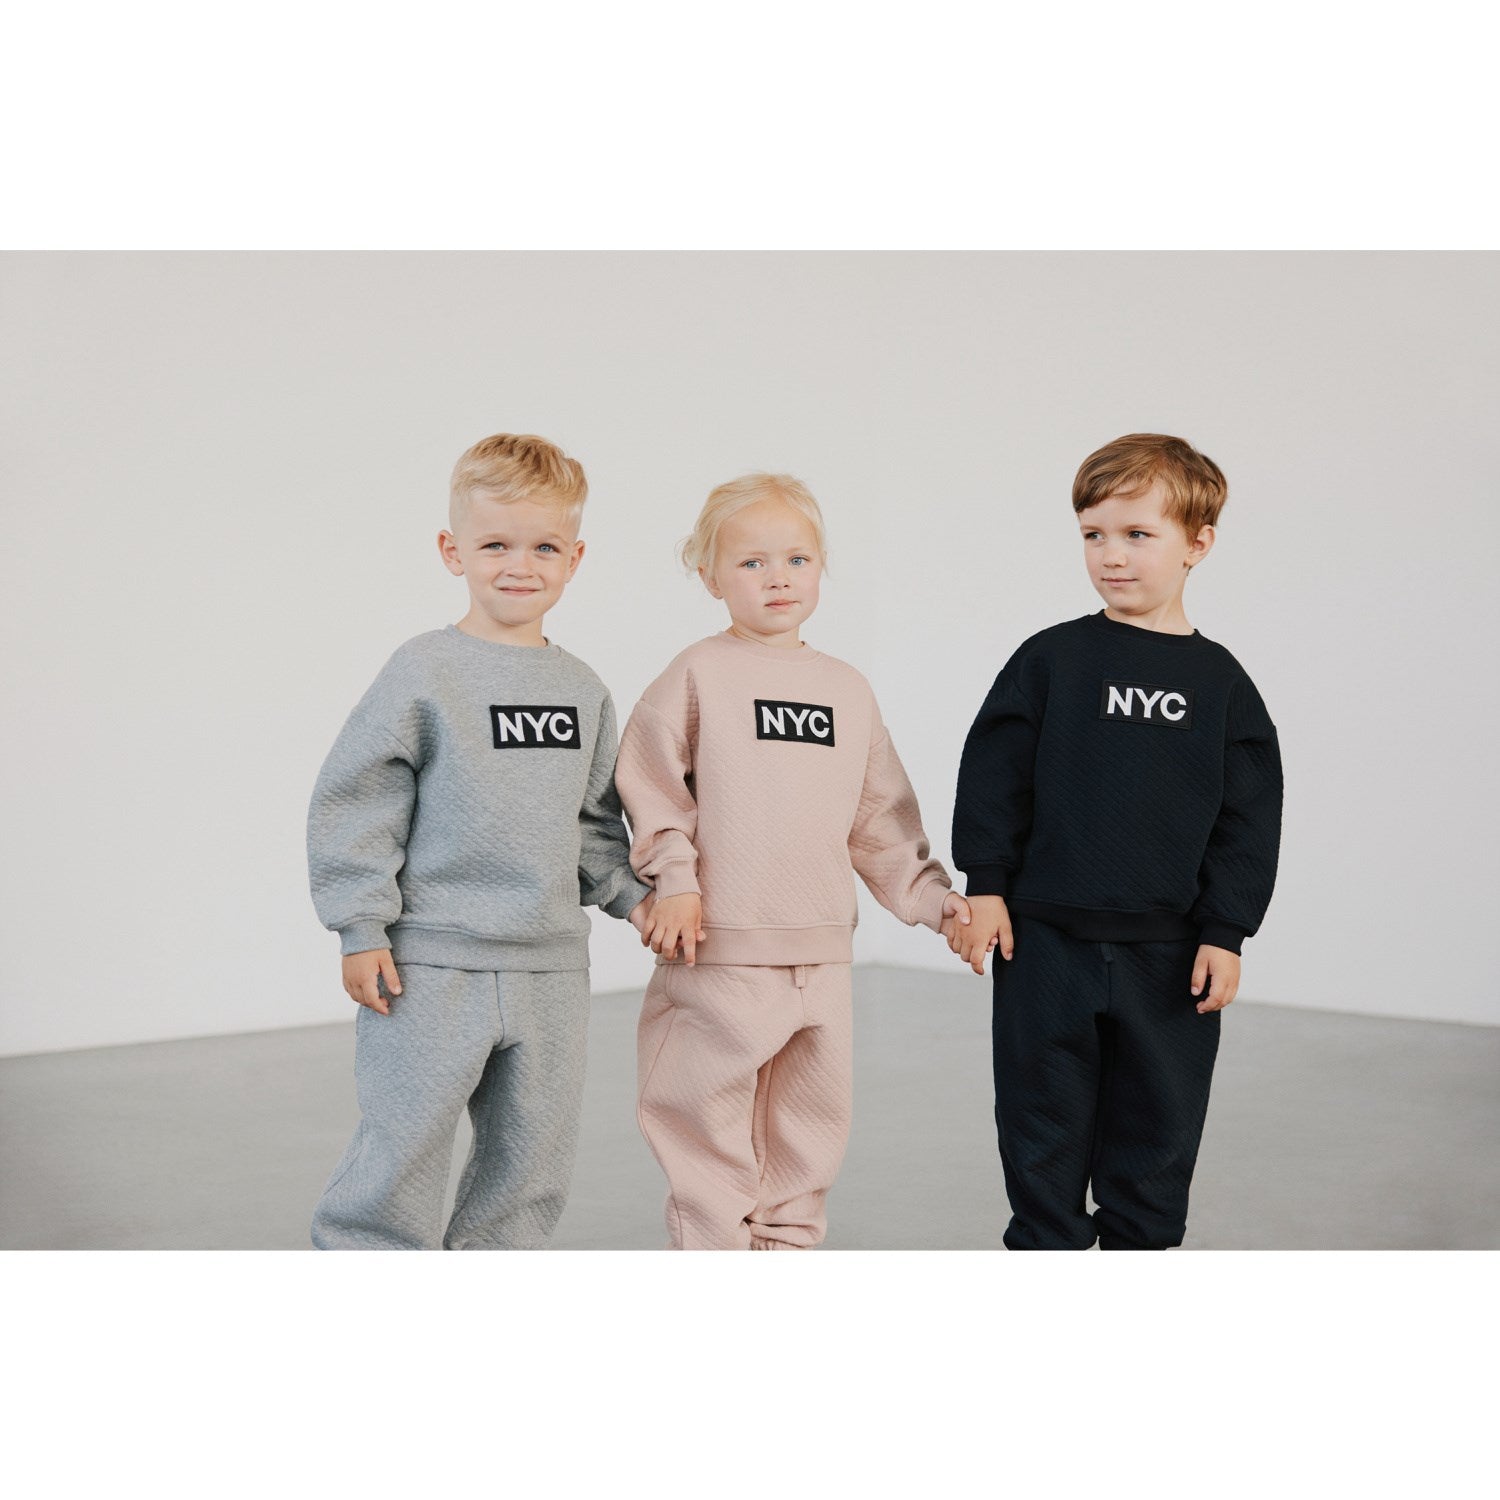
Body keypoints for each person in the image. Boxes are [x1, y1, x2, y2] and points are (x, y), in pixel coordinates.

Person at [306, 432, 651, 1250]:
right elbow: (359, 801)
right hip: (429, 962)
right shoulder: (423, 671)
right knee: (403, 1146)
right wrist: (360, 926)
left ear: (574, 558)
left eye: (543, 547)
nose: (519, 566)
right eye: (495, 544)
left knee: (530, 1163)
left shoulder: (582, 689)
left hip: (550, 970)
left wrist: (636, 900)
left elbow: (593, 825)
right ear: (451, 550)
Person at [614, 472, 971, 1250]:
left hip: (822, 957)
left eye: (797, 559)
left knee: (808, 1136)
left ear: (820, 567)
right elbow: (651, 788)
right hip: (720, 950)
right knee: (706, 1129)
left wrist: (933, 901)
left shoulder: (847, 689)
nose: (778, 577)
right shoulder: (696, 674)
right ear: (709, 575)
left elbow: (879, 818)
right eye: (752, 562)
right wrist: (674, 883)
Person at [951, 433, 1282, 1250]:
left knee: (1157, 1132)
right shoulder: (1051, 660)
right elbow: (994, 774)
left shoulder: (1222, 686)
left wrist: (1226, 931)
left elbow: (1248, 819)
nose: (1111, 556)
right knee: (1040, 1123)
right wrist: (986, 885)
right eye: (1093, 534)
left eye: (1138, 534)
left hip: (1170, 958)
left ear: (1197, 543)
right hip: (1044, 945)